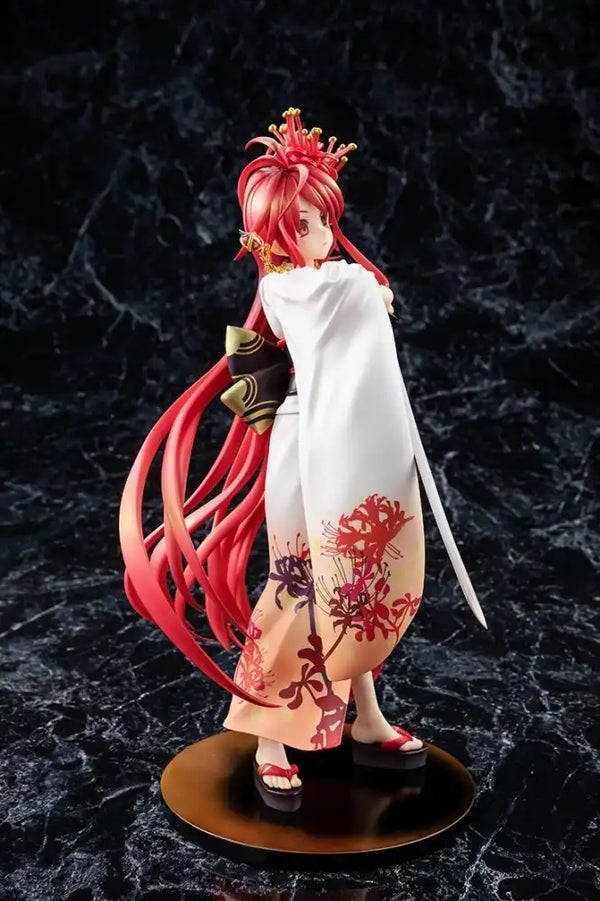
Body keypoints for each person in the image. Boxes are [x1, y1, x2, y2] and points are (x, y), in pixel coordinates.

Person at [119, 108, 486, 812]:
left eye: (323, 221)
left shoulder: (325, 280)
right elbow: (345, 294)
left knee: (353, 588)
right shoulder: (291, 287)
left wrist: (369, 289)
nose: (322, 235)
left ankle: (366, 716)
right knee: (298, 585)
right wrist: (371, 288)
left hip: (344, 440)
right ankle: (268, 739)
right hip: (306, 447)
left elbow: (355, 299)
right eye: (306, 224)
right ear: (275, 233)